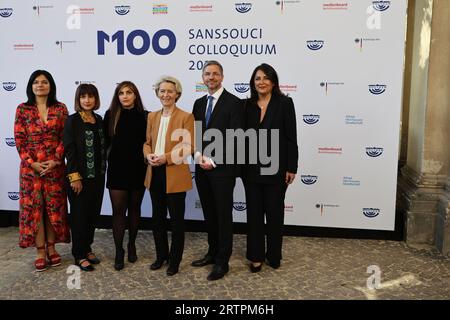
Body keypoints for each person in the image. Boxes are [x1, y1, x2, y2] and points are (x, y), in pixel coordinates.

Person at [191, 60, 244, 281]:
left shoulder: (234, 103)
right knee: (209, 214)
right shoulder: (198, 103)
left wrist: (214, 161)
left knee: (223, 216)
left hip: (223, 169)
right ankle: (212, 253)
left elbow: (237, 137)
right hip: (202, 169)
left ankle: (223, 261)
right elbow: (195, 135)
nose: (211, 78)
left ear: (222, 77)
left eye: (215, 74)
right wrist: (199, 158)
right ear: (203, 78)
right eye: (207, 74)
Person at [243, 63, 298, 273]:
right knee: (254, 215)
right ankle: (256, 256)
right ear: (253, 82)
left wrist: (291, 166)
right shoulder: (246, 105)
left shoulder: (285, 103)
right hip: (251, 170)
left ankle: (274, 255)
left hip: (276, 169)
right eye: (257, 78)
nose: (261, 82)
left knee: (275, 214)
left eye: (266, 78)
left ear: (273, 81)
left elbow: (291, 137)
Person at [14, 70, 70, 272]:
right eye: (36, 82)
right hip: (31, 171)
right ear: (31, 86)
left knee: (53, 209)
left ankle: (52, 249)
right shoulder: (23, 109)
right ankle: (39, 252)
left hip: (54, 169)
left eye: (44, 82)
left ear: (51, 86)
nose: (40, 85)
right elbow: (19, 140)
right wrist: (32, 163)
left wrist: (55, 160)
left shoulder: (60, 108)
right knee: (36, 211)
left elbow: (66, 138)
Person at [144, 76, 194, 276]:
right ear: (157, 93)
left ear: (177, 94)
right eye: (162, 91)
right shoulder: (152, 116)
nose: (166, 94)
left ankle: (175, 260)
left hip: (174, 175)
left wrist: (165, 158)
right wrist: (148, 155)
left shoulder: (186, 117)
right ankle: (161, 256)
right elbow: (146, 142)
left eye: (170, 91)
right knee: (157, 220)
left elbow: (187, 147)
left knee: (176, 222)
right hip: (154, 173)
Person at [104, 81, 147, 271]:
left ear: (135, 95)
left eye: (129, 92)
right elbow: (104, 144)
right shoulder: (110, 115)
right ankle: (119, 250)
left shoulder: (146, 116)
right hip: (117, 170)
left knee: (135, 208)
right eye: (121, 93)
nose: (125, 96)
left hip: (139, 169)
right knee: (118, 211)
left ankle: (131, 244)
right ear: (117, 96)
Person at [63, 84, 106, 272]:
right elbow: (69, 151)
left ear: (96, 99)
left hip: (97, 176)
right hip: (79, 178)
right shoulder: (72, 121)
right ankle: (78, 254)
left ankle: (87, 247)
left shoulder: (99, 119)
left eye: (91, 96)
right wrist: (74, 177)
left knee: (93, 214)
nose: (87, 100)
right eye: (83, 97)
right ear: (78, 100)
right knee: (79, 216)